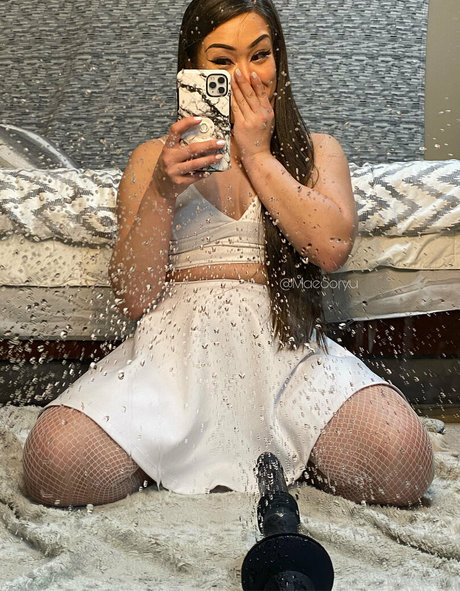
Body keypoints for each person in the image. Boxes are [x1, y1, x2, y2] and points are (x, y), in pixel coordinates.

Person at [22, 0, 434, 509]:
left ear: (278, 59)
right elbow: (133, 297)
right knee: (53, 464)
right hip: (172, 356)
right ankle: (173, 445)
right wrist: (162, 192)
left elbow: (330, 248)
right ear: (191, 70)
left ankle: (287, 442)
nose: (245, 76)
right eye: (221, 61)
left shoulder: (315, 151)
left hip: (286, 349)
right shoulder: (153, 158)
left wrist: (257, 154)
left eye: (259, 55)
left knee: (404, 460)